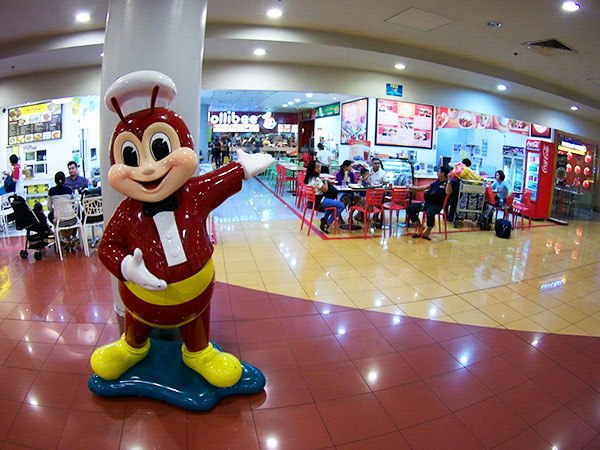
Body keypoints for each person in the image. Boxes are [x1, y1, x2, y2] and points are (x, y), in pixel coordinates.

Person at [406, 166, 450, 240]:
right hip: (427, 203)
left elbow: (448, 192)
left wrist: (449, 181)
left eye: (439, 171)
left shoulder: (447, 184)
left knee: (430, 213)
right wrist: (412, 188)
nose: (437, 173)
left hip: (437, 205)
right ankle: (420, 227)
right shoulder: (436, 182)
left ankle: (428, 231)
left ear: (443, 173)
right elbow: (425, 187)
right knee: (410, 208)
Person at [304, 160, 344, 234]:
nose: (319, 168)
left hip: (311, 201)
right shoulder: (316, 179)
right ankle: (327, 223)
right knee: (341, 205)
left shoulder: (308, 178)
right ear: (313, 169)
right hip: (319, 202)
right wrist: (325, 181)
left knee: (333, 205)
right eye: (317, 167)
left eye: (319, 167)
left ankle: (324, 219)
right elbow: (325, 189)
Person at [47, 171, 77, 251]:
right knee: (76, 216)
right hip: (72, 220)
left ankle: (63, 238)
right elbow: (74, 204)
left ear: (55, 180)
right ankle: (73, 237)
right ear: (64, 180)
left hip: (59, 222)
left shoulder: (51, 191)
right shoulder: (69, 190)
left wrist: (55, 210)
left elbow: (49, 207)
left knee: (51, 216)